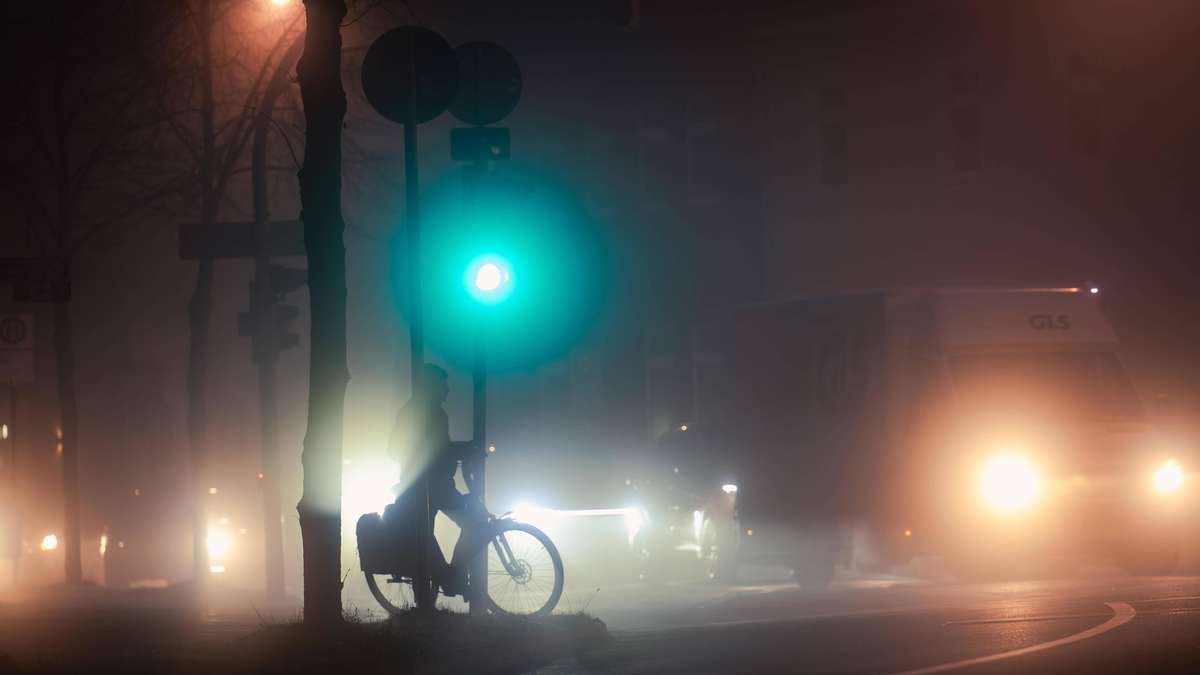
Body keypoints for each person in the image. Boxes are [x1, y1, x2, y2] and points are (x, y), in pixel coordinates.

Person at [388, 363, 486, 596]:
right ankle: (450, 577)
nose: (447, 390)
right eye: (443, 385)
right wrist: (462, 450)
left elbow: (439, 449)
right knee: (471, 522)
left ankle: (448, 577)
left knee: (430, 534)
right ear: (431, 387)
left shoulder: (426, 412)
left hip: (434, 486)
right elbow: (435, 450)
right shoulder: (425, 413)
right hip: (428, 488)